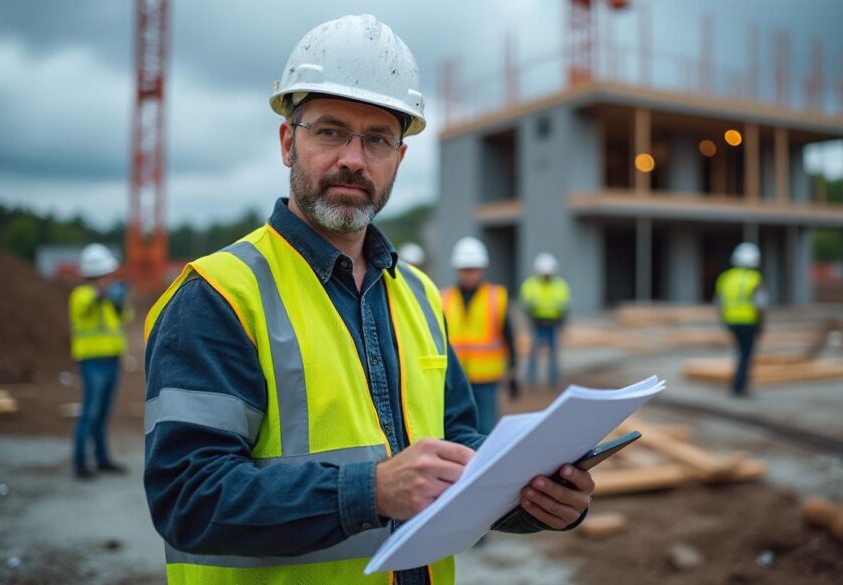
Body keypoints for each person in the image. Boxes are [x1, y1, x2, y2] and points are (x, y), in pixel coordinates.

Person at [142, 15, 593, 585]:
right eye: (330, 131)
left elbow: (458, 446)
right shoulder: (219, 297)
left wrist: (536, 500)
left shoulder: (422, 296)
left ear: (399, 159)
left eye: (377, 138)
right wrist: (371, 491)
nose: (353, 158)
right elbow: (187, 497)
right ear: (289, 142)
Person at [441, 237, 520, 435]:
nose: (469, 274)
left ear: (482, 269)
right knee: (455, 430)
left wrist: (513, 372)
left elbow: (508, 336)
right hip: (453, 379)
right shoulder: (443, 298)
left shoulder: (496, 296)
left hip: (486, 378)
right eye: (465, 269)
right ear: (457, 269)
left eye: (473, 269)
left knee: (485, 428)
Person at [69, 243, 129, 479]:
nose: (111, 279)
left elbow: (123, 317)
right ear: (97, 275)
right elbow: (85, 306)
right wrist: (103, 294)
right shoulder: (81, 295)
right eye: (107, 276)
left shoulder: (107, 299)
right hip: (92, 362)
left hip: (112, 359)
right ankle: (81, 463)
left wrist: (118, 302)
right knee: (90, 413)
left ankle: (103, 459)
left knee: (103, 413)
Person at [714, 242, 768, 398]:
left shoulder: (725, 277)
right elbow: (761, 304)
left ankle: (738, 382)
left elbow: (719, 302)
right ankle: (740, 385)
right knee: (746, 354)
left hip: (731, 321)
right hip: (749, 322)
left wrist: (724, 320)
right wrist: (762, 325)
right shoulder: (754, 278)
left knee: (740, 353)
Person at [520, 253, 571, 389]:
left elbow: (564, 305)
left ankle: (553, 381)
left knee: (553, 354)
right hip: (538, 323)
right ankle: (531, 380)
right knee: (534, 353)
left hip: (553, 323)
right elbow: (526, 303)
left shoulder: (560, 285)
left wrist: (563, 324)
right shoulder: (531, 284)